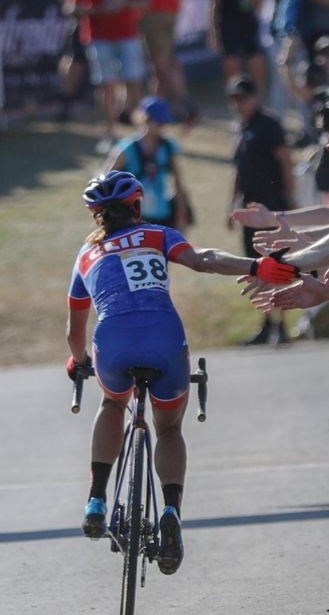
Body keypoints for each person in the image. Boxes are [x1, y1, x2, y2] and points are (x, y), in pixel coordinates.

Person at [66, 170, 297, 574]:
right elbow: (205, 260)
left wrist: (78, 361)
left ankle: (96, 499)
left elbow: (74, 332)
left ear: (95, 217)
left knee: (112, 401)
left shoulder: (86, 256)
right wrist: (256, 267)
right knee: (169, 428)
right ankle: (171, 510)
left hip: (113, 342)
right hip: (164, 337)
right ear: (137, 205)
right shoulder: (158, 235)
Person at [226, 74, 294, 345]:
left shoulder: (268, 125)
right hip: (248, 208)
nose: (239, 103)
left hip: (271, 205)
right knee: (257, 268)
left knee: (277, 265)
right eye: (234, 99)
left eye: (243, 97)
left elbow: (285, 161)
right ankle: (267, 322)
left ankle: (283, 325)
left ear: (254, 97)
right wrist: (230, 205)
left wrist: (289, 197)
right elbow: (238, 172)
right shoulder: (240, 128)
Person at [67, 0, 148, 151]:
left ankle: (142, 130)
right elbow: (72, 8)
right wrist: (100, 10)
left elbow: (144, 1)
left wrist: (126, 4)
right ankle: (110, 130)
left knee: (133, 82)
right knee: (107, 85)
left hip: (127, 35)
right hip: (99, 37)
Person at [108, 97, 191, 230]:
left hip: (163, 216)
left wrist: (181, 217)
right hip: (133, 219)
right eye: (159, 123)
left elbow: (179, 184)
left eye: (164, 124)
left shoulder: (168, 147)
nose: (162, 128)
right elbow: (106, 184)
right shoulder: (126, 149)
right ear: (144, 120)